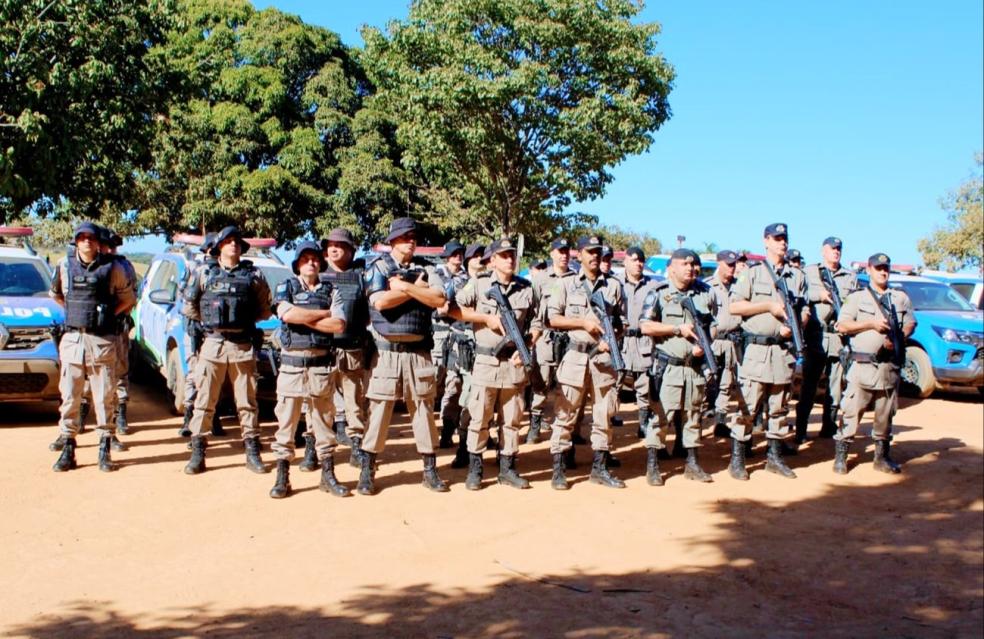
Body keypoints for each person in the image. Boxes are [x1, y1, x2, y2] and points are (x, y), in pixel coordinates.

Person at [357, 217, 450, 495]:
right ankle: (367, 469)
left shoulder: (427, 270)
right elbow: (380, 302)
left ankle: (430, 470)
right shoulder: (378, 267)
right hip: (386, 352)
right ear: (393, 241)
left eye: (414, 237)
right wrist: (417, 291)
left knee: (423, 410)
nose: (411, 241)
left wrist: (406, 288)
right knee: (379, 412)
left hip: (418, 352)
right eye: (405, 237)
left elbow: (439, 299)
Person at [182, 226, 273, 475]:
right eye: (228, 241)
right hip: (212, 344)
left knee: (247, 401)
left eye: (237, 242)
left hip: (242, 345)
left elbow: (265, 308)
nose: (233, 245)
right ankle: (198, 453)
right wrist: (214, 323)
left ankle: (252, 453)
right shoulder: (203, 273)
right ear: (219, 246)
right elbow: (190, 306)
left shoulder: (253, 275)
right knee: (204, 401)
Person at [452, 238, 541, 490]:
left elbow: (537, 322)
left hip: (513, 364)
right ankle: (475, 469)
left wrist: (529, 344)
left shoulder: (526, 288)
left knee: (511, 421)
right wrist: (485, 318)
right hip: (486, 361)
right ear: (492, 261)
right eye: (503, 255)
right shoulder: (479, 285)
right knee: (479, 418)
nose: (510, 259)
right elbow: (452, 309)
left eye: (512, 255)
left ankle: (507, 469)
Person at [50, 222, 136, 472]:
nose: (87, 241)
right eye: (82, 237)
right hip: (74, 340)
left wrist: (107, 315)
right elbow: (56, 294)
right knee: (69, 396)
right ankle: (68, 446)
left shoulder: (113, 268)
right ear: (76, 241)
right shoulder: (65, 265)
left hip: (101, 341)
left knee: (104, 396)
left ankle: (104, 447)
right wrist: (75, 314)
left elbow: (128, 299)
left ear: (98, 242)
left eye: (91, 238)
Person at [726, 223, 807, 480]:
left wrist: (796, 324)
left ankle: (774, 458)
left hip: (783, 353)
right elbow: (734, 307)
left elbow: (804, 310)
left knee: (780, 408)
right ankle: (737, 459)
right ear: (766, 241)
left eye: (785, 238)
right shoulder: (752, 274)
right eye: (777, 238)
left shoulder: (797, 277)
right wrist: (768, 306)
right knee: (747, 408)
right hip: (757, 351)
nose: (782, 243)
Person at [268, 242, 349, 498]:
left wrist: (306, 317)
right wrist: (321, 314)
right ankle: (282, 478)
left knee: (324, 424)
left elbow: (338, 325)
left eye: (315, 259)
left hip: (321, 367)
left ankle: (328, 475)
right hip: (292, 367)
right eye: (305, 259)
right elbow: (287, 316)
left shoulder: (331, 290)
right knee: (286, 425)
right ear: (297, 264)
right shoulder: (286, 287)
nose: (311, 263)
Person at [545, 235, 625, 490]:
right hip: (576, 357)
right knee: (565, 414)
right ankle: (559, 469)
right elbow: (552, 319)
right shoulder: (566, 283)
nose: (595, 256)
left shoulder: (613, 286)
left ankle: (599, 468)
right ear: (579, 254)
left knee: (604, 415)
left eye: (598, 252)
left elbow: (622, 322)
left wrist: (611, 338)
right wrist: (582, 323)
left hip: (603, 359)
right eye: (590, 252)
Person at [639, 249, 717, 485]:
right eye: (685, 264)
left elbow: (713, 324)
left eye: (694, 265)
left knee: (693, 416)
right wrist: (676, 329)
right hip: (668, 367)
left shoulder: (705, 293)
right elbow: (645, 326)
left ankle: (692, 463)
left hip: (694, 367)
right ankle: (653, 465)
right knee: (661, 416)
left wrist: (705, 344)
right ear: (671, 268)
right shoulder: (659, 294)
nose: (691, 268)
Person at [833, 253, 915, 474]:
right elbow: (842, 326)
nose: (883, 271)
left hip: (888, 368)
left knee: (885, 414)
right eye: (878, 268)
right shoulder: (857, 297)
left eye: (885, 268)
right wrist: (870, 324)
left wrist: (900, 337)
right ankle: (841, 457)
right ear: (868, 269)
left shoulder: (899, 297)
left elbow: (910, 322)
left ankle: (881, 457)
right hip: (862, 366)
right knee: (851, 412)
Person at [795, 237, 857, 444]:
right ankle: (801, 430)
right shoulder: (810, 272)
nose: (836, 252)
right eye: (832, 248)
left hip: (838, 338)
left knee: (836, 387)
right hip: (816, 336)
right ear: (823, 251)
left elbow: (855, 302)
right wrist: (818, 295)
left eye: (839, 249)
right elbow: (800, 295)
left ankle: (828, 426)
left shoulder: (849, 277)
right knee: (809, 386)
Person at [321, 228, 370, 468]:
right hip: (322, 351)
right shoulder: (317, 276)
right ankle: (316, 451)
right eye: (330, 244)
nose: (334, 248)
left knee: (354, 401)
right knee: (319, 402)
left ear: (351, 250)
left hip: (353, 349)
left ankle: (357, 447)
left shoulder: (361, 277)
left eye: (340, 245)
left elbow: (370, 314)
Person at [526, 238, 575, 444]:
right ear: (552, 253)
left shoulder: (576, 279)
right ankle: (535, 423)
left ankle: (568, 429)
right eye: (559, 251)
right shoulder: (541, 279)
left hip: (570, 337)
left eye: (566, 251)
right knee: (542, 382)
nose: (563, 255)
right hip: (546, 337)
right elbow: (533, 309)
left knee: (569, 384)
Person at [177, 233, 224, 438]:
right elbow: (186, 301)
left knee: (216, 378)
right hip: (196, 330)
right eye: (211, 249)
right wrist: (200, 323)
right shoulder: (196, 270)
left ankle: (213, 418)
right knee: (195, 374)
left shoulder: (226, 271)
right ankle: (190, 416)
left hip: (217, 334)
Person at [449, 242, 485, 469]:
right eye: (476, 256)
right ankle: (464, 446)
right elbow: (449, 309)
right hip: (467, 347)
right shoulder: (459, 283)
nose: (480, 260)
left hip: (491, 349)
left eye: (483, 256)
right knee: (470, 398)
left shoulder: (490, 281)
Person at [432, 240, 469, 449]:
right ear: (447, 256)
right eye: (454, 254)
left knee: (453, 384)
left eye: (460, 254)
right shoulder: (436, 275)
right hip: (438, 336)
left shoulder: (466, 278)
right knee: (433, 384)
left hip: (457, 335)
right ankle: (428, 428)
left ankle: (447, 431)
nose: (457, 257)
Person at [617, 246, 657, 438]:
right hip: (620, 343)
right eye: (634, 260)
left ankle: (643, 423)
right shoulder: (615, 284)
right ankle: (609, 421)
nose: (638, 264)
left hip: (643, 342)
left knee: (644, 386)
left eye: (641, 260)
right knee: (614, 384)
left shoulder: (652, 286)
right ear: (625, 261)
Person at [705, 250, 744, 437]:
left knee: (727, 383)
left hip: (732, 342)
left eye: (734, 264)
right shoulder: (708, 287)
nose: (732, 267)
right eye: (729, 264)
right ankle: (694, 421)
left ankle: (720, 423)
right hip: (713, 341)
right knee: (706, 379)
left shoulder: (739, 287)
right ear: (718, 263)